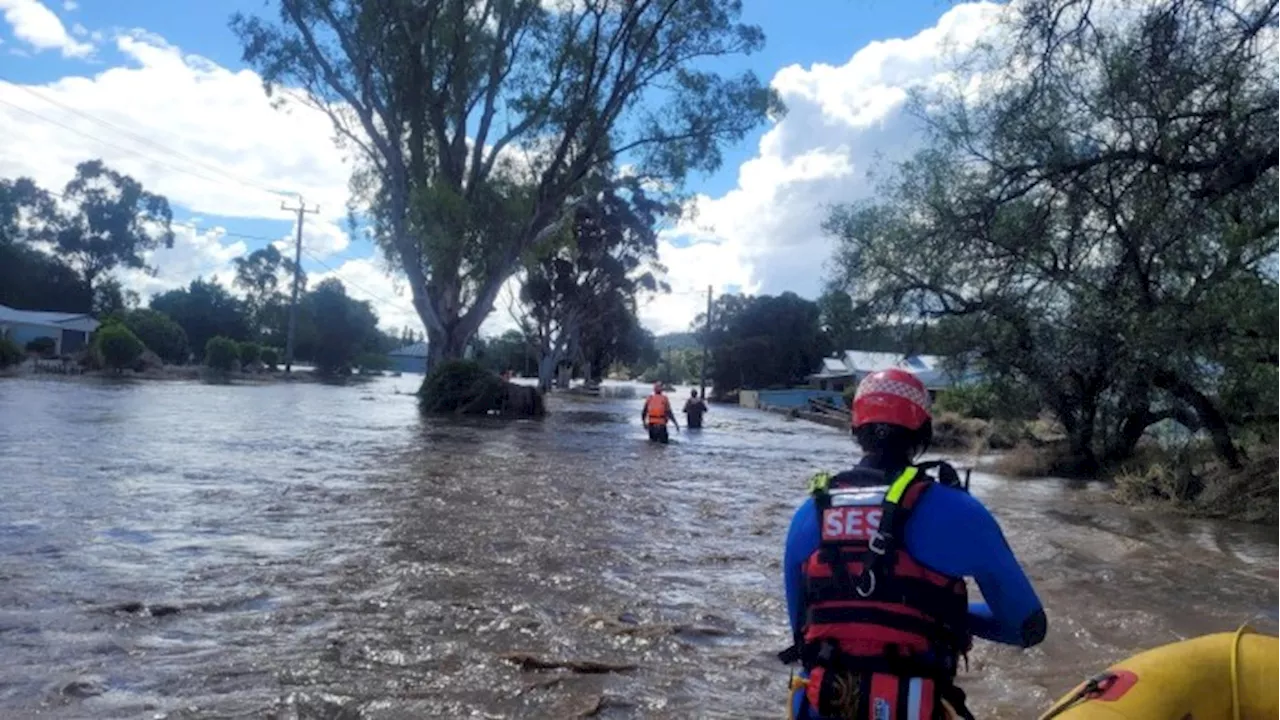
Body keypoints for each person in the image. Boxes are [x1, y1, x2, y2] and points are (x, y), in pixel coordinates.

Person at [781, 368, 1046, 720]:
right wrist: (946, 615)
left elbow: (802, 624)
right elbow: (1027, 626)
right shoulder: (961, 511)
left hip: (822, 703)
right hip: (911, 706)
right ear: (922, 432)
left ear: (856, 430)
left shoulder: (810, 513)